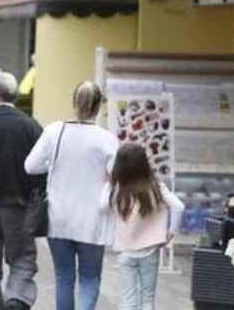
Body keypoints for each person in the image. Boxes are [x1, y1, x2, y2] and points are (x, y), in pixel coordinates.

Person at [24, 81, 118, 310]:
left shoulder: (55, 130)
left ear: (74, 103)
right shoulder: (108, 139)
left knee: (63, 277)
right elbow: (118, 177)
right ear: (99, 107)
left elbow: (30, 166)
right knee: (90, 278)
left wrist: (56, 166)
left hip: (58, 217)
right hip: (93, 219)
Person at [0, 71, 44, 310]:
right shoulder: (31, 126)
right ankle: (17, 298)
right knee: (23, 258)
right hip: (20, 207)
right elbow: (42, 170)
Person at [102, 143, 184, 310]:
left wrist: (109, 183)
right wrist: (171, 232)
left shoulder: (118, 189)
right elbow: (179, 207)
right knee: (148, 299)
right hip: (150, 251)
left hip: (126, 251)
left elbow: (101, 205)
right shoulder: (155, 186)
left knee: (128, 300)